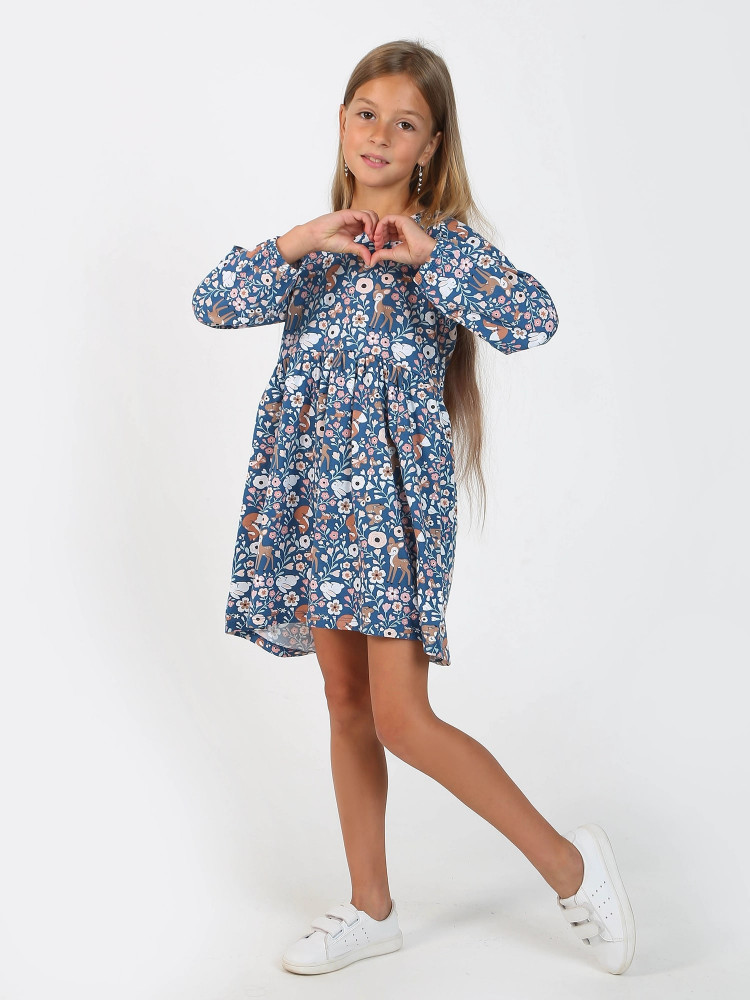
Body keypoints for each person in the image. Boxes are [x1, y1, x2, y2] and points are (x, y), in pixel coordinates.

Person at [192, 38, 635, 978]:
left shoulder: (443, 248)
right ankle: (371, 908)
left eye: (405, 124)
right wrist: (302, 237)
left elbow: (533, 318)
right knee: (346, 702)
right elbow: (212, 303)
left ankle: (570, 866)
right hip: (313, 500)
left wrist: (433, 256)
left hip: (390, 511)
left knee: (402, 716)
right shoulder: (317, 251)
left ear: (431, 146)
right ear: (342, 123)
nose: (381, 135)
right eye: (367, 114)